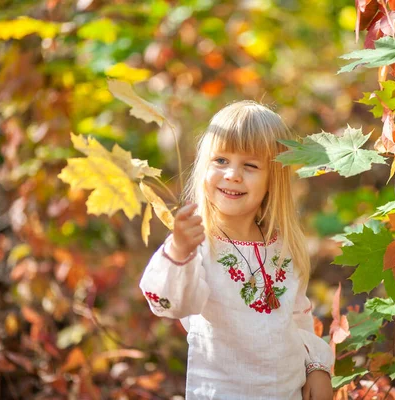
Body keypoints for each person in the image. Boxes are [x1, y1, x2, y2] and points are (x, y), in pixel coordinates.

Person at [139, 101, 334, 399]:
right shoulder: (197, 244)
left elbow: (297, 317)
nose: (232, 174)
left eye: (251, 165)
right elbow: (172, 304)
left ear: (273, 179)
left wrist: (316, 367)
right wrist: (179, 251)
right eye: (220, 160)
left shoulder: (282, 246)